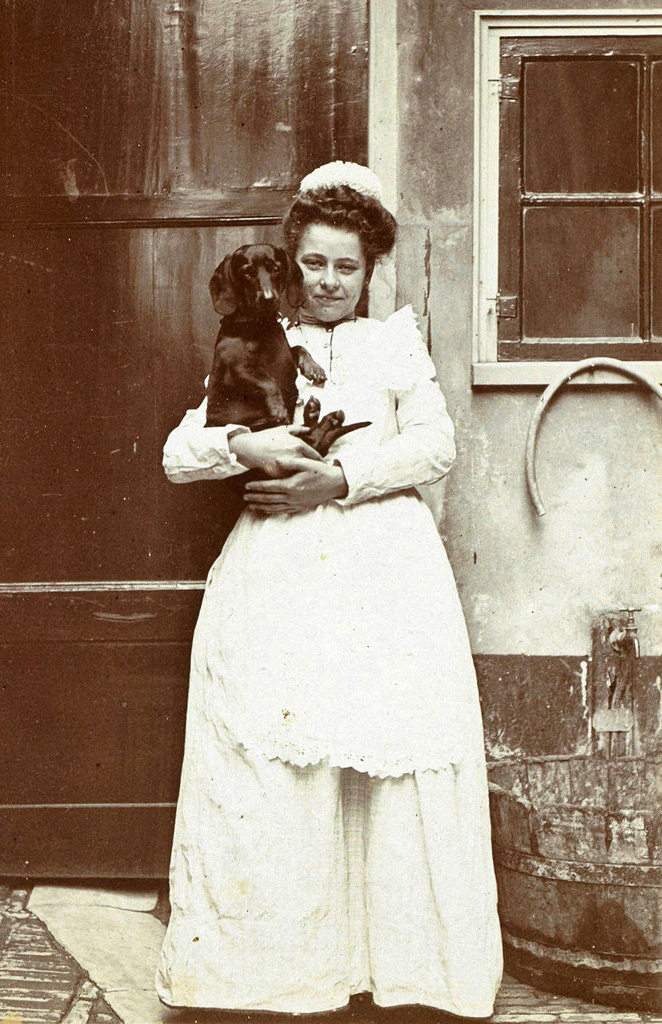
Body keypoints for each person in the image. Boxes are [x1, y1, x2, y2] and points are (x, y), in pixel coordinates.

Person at [155, 162, 503, 1020]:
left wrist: (337, 480)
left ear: (370, 268)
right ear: (292, 261)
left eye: (346, 266)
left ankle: (403, 971)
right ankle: (271, 975)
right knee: (281, 764)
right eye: (314, 262)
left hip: (383, 574)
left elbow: (432, 447)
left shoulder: (393, 345)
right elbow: (177, 453)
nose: (329, 281)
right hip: (277, 578)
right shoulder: (257, 343)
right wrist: (247, 450)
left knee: (384, 759)